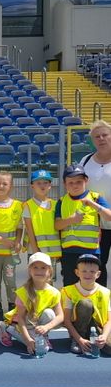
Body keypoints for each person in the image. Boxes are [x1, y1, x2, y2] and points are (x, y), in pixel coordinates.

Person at [55, 165, 111, 286]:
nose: (75, 185)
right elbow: (57, 225)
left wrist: (93, 205)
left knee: (91, 286)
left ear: (86, 181)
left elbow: (109, 216)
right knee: (70, 286)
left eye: (79, 182)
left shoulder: (95, 198)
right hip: (69, 252)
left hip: (91, 251)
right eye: (71, 183)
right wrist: (72, 220)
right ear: (65, 184)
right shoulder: (61, 201)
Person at [0, 252, 64, 355]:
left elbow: (60, 316)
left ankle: (43, 337)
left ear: (50, 271)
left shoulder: (54, 292)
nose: (39, 271)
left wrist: (46, 327)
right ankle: (7, 328)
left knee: (49, 313)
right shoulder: (23, 292)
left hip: (38, 323)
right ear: (30, 270)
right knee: (33, 345)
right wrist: (28, 340)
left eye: (43, 268)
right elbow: (21, 318)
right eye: (35, 267)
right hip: (23, 324)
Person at [0, 172, 23, 321]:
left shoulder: (17, 205)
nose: (1, 186)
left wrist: (18, 240)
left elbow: (20, 226)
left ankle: (12, 307)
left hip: (10, 254)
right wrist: (1, 240)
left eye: (5, 183)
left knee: (11, 281)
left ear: (11, 186)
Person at [80, 120, 111, 286]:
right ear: (92, 140)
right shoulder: (85, 161)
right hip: (95, 224)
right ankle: (102, 302)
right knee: (98, 264)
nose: (101, 139)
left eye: (105, 135)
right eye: (96, 136)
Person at [61, 254, 111, 355]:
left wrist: (104, 336)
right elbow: (66, 320)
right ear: (77, 272)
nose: (88, 274)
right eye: (84, 271)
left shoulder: (105, 292)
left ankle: (94, 339)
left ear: (98, 274)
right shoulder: (68, 291)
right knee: (85, 304)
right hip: (77, 328)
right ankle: (79, 340)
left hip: (97, 327)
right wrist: (80, 339)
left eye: (92, 271)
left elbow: (109, 320)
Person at [23, 170, 61, 276]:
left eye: (45, 183)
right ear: (32, 186)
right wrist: (36, 251)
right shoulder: (28, 205)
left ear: (50, 185)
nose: (42, 186)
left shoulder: (55, 204)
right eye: (38, 183)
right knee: (36, 280)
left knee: (49, 279)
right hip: (35, 250)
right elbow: (29, 230)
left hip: (52, 251)